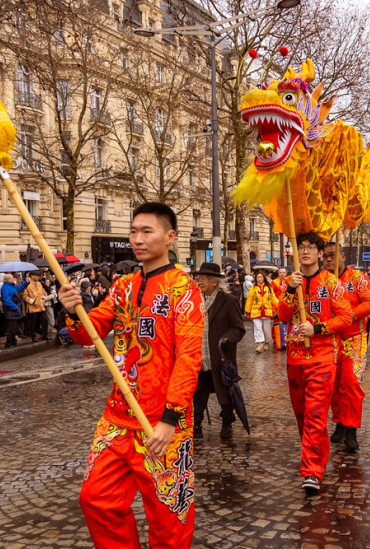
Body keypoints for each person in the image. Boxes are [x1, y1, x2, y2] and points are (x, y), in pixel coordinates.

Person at [59, 202, 203, 548]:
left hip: (162, 423)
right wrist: (74, 310)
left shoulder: (184, 289)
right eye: (133, 232)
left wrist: (171, 417)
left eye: (146, 231)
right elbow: (89, 334)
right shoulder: (122, 285)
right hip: (117, 418)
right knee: (96, 498)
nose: (137, 239)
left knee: (169, 518)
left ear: (170, 237)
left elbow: (189, 358)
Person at [276, 232, 352, 494]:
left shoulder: (331, 283)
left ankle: (311, 471)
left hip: (322, 358)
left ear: (321, 253)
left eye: (311, 248)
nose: (305, 251)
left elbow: (346, 318)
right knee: (302, 415)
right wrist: (289, 289)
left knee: (316, 414)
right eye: (301, 248)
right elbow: (282, 314)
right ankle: (314, 454)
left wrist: (317, 328)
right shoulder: (287, 281)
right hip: (294, 358)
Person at [321, 241, 370, 451]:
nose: (328, 259)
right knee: (333, 385)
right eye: (325, 255)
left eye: (332, 255)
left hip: (354, 339)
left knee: (351, 384)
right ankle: (340, 423)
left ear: (343, 257)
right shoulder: (320, 281)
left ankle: (352, 429)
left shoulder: (357, 278)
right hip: (328, 341)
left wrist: (348, 316)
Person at [192, 262, 246, 439]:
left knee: (225, 393)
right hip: (198, 356)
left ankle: (227, 423)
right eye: (199, 279)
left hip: (220, 357)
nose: (200, 282)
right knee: (198, 393)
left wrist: (226, 339)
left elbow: (238, 328)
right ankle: (196, 424)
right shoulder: (193, 301)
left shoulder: (228, 301)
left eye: (204, 279)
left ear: (214, 282)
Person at [244, 271, 278, 353]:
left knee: (266, 328)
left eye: (261, 277)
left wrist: (279, 306)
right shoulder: (253, 288)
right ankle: (260, 343)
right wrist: (247, 311)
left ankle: (267, 342)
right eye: (258, 277)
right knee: (258, 327)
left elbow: (273, 298)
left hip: (267, 311)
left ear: (264, 278)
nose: (259, 279)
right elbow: (249, 300)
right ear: (255, 278)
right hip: (255, 311)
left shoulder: (269, 288)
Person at [0, 274, 28, 348]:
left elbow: (20, 288)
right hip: (11, 310)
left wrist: (26, 282)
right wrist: (15, 307)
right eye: (12, 278)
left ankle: (12, 341)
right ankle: (9, 342)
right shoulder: (6, 288)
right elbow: (7, 300)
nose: (14, 278)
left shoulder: (12, 286)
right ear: (9, 279)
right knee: (11, 328)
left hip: (15, 309)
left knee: (14, 327)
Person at [23, 270, 49, 342]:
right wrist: (32, 301)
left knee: (45, 320)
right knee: (33, 323)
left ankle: (45, 335)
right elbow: (24, 296)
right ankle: (33, 336)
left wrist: (43, 299)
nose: (38, 277)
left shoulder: (39, 284)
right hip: (32, 307)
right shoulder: (27, 284)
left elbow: (42, 293)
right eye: (36, 275)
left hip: (41, 306)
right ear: (32, 276)